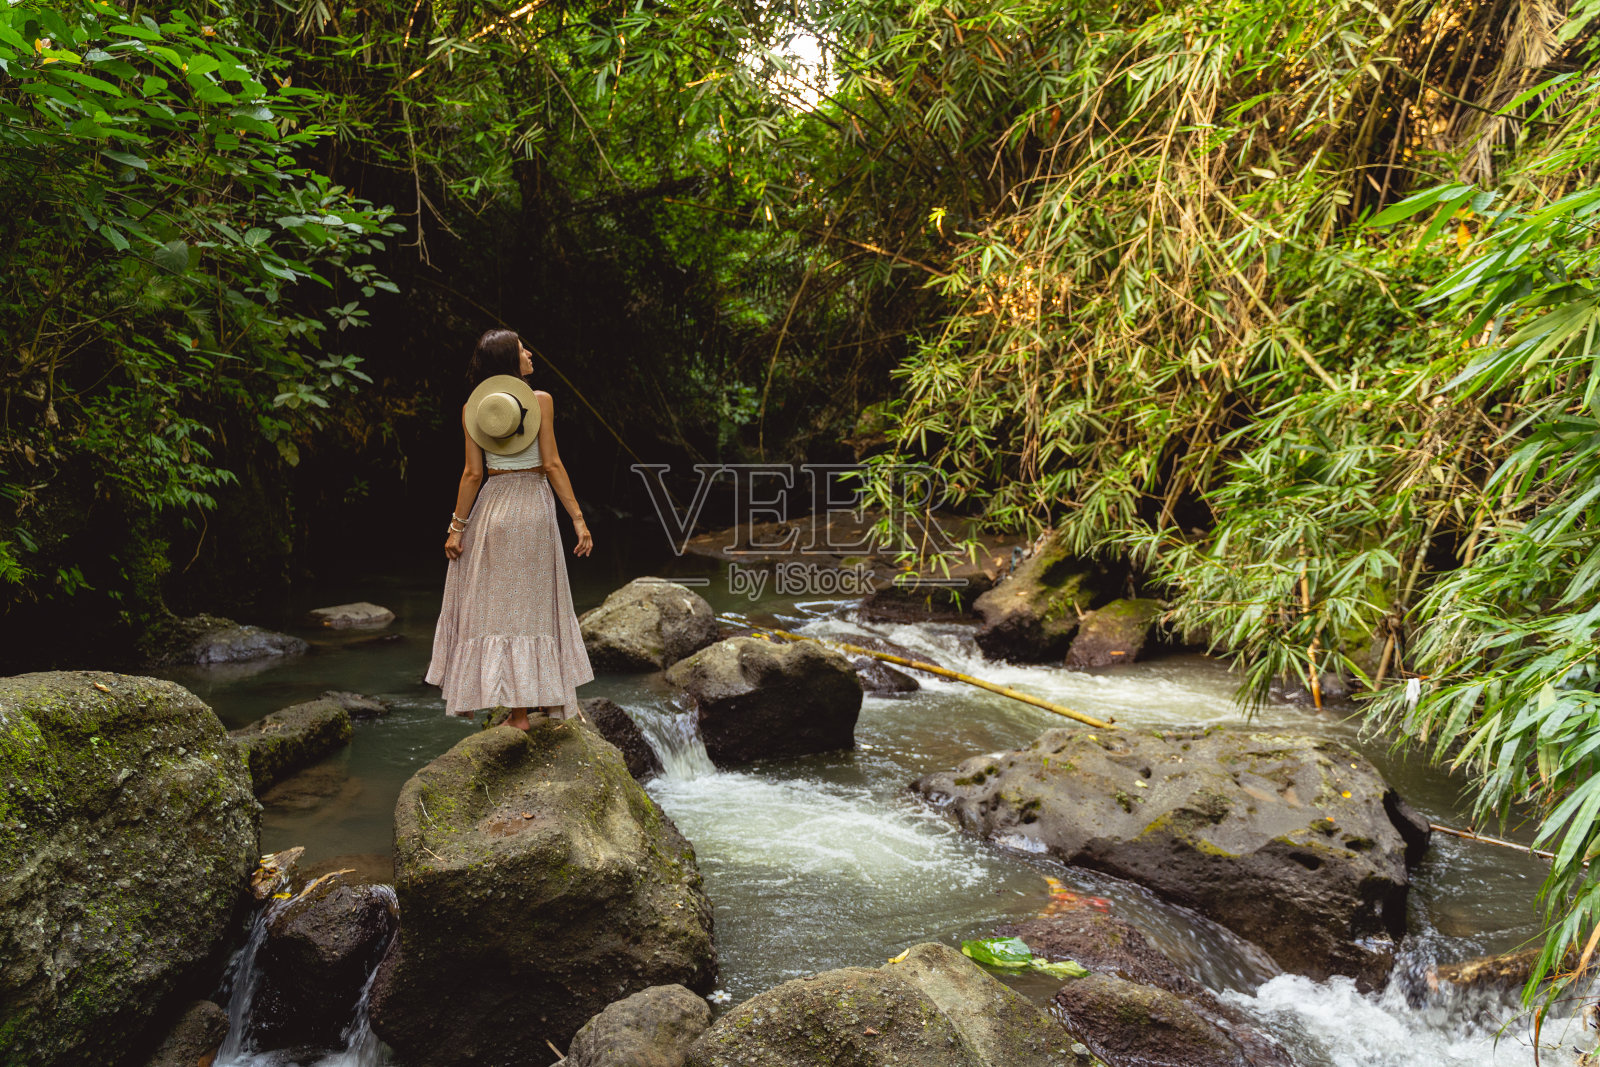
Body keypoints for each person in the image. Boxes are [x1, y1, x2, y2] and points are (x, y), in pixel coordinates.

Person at [424, 328, 595, 730]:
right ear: (508, 360)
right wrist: (578, 519)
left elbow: (471, 474)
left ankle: (518, 712)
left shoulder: (473, 407)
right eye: (522, 350)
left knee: (498, 608)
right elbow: (551, 464)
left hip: (493, 509)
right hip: (533, 509)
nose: (530, 353)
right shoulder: (541, 401)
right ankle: (531, 710)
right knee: (532, 607)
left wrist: (456, 528)